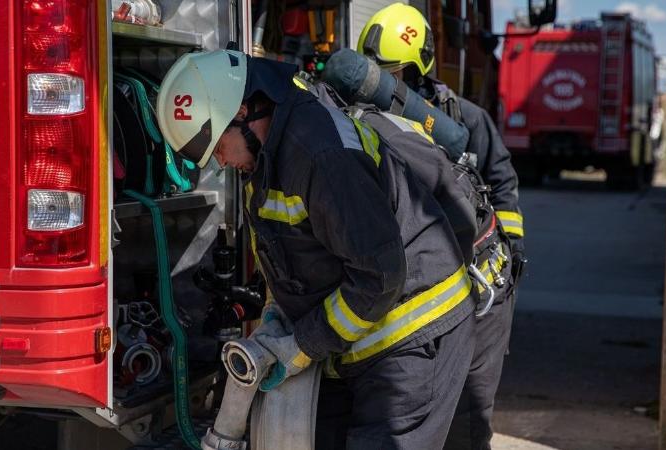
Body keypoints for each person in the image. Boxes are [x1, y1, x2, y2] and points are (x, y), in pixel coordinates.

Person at [156, 49, 475, 449]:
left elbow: (378, 278)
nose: (220, 161)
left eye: (219, 145)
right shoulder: (265, 155)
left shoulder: (322, 155)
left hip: (412, 334)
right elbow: (287, 252)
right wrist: (278, 314)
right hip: (357, 340)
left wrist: (302, 344)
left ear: (243, 112)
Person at [357, 4, 525, 450]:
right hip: (429, 286)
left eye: (396, 73)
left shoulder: (463, 120)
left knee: (467, 418)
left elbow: (503, 184)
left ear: (421, 68)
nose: (386, 85)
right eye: (377, 73)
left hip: (483, 284)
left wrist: (511, 256)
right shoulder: (366, 122)